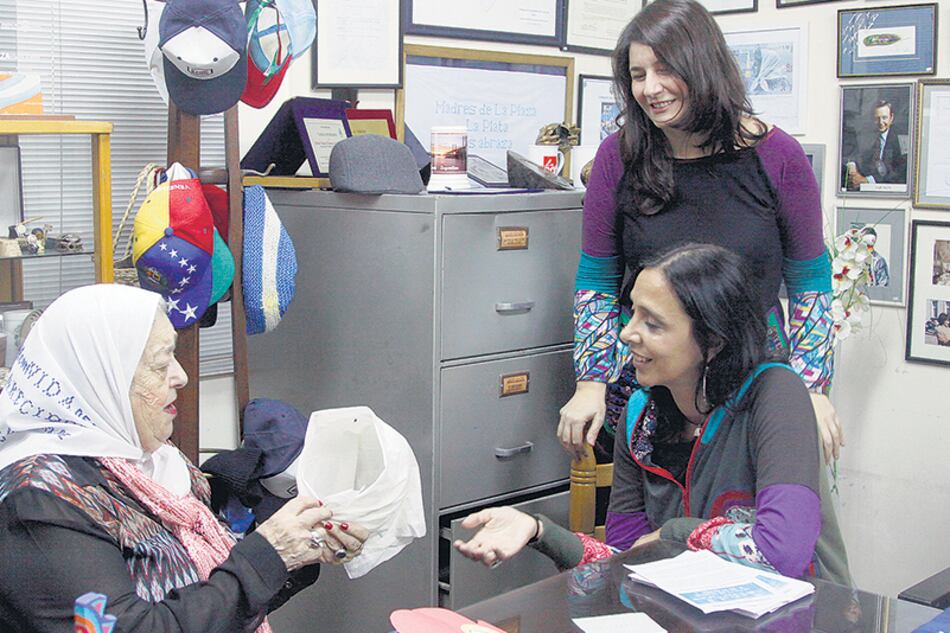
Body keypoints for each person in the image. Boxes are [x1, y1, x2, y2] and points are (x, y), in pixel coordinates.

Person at [457, 244, 851, 585]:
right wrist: (539, 530)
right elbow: (627, 560)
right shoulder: (639, 416)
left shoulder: (775, 394)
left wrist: (674, 533)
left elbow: (782, 554)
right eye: (631, 315)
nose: (627, 333)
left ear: (712, 340)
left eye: (653, 323)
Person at [558, 0, 842, 465]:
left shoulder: (778, 156)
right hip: (647, 390)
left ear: (703, 66)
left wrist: (811, 389)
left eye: (665, 69)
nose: (651, 89)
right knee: (646, 532)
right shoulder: (619, 155)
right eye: (637, 74)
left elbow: (811, 284)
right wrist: (591, 381)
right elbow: (597, 280)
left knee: (747, 532)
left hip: (753, 389)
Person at [0, 284, 370, 632]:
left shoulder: (152, 465)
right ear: (101, 381)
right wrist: (268, 556)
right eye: (161, 365)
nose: (181, 376)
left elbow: (216, 602)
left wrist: (298, 547)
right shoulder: (40, 501)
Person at [844, 100, 907, 191]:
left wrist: (867, 180)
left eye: (884, 118)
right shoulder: (865, 137)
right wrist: (853, 169)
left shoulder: (900, 139)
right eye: (877, 118)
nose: (880, 122)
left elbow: (899, 172)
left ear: (891, 118)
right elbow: (852, 155)